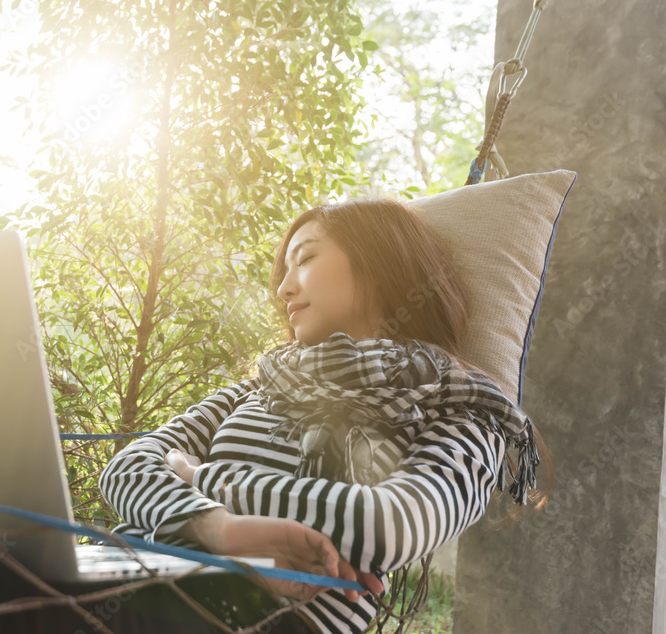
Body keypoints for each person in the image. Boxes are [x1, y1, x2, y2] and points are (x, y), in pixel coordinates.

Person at [97, 198, 554, 633]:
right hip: (123, 573)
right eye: (284, 270)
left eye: (306, 259)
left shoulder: (464, 412)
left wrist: (199, 477)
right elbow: (125, 469)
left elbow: (391, 524)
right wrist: (218, 527)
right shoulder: (264, 384)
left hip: (248, 616)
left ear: (377, 264)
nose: (283, 288)